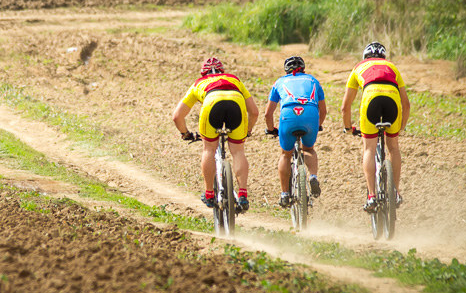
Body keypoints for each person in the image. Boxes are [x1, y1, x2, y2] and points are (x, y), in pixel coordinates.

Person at [172, 56, 259, 211]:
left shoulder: (198, 83)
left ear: (203, 73)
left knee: (209, 150)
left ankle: (209, 194)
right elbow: (254, 111)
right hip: (236, 102)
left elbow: (177, 116)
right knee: (238, 151)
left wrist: (185, 133)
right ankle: (243, 194)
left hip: (212, 102)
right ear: (222, 71)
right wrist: (248, 130)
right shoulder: (234, 79)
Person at [341, 42, 411, 212]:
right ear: (384, 58)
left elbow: (345, 107)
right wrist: (400, 127)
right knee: (393, 147)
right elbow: (406, 104)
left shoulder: (358, 67)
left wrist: (348, 127)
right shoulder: (392, 67)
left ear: (365, 57)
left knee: (369, 150)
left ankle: (372, 195)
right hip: (392, 102)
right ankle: (394, 192)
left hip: (371, 100)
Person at [264, 56, 327, 208]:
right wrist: (317, 125)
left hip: (288, 116)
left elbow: (268, 113)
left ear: (286, 70)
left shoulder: (279, 82)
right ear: (303, 69)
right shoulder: (313, 80)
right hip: (310, 115)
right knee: (309, 150)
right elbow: (323, 110)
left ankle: (285, 194)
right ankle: (312, 176)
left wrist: (271, 129)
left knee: (286, 154)